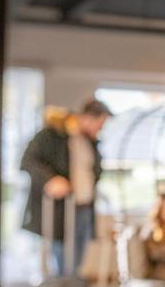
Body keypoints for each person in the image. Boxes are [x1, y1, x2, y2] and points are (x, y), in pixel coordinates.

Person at [21, 99, 112, 276]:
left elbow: (94, 171)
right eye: (100, 124)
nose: (101, 129)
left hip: (84, 208)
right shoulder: (52, 135)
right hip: (61, 210)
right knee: (62, 258)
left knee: (77, 260)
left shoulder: (90, 142)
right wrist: (50, 179)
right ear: (87, 118)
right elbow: (28, 161)